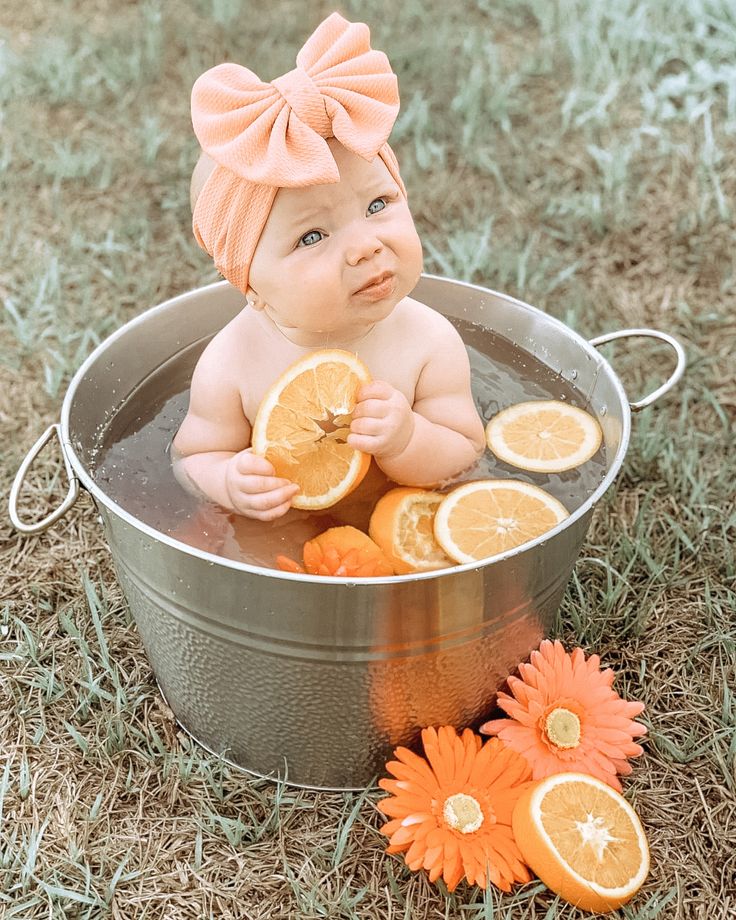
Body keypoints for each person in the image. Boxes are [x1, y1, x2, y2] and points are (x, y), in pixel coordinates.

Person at [173, 12, 485, 522]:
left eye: (378, 205)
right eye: (312, 236)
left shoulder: (428, 341)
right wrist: (227, 482)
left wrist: (408, 439)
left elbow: (466, 451)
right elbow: (192, 457)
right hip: (285, 526)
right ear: (250, 285)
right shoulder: (231, 364)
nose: (365, 246)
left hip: (402, 519)